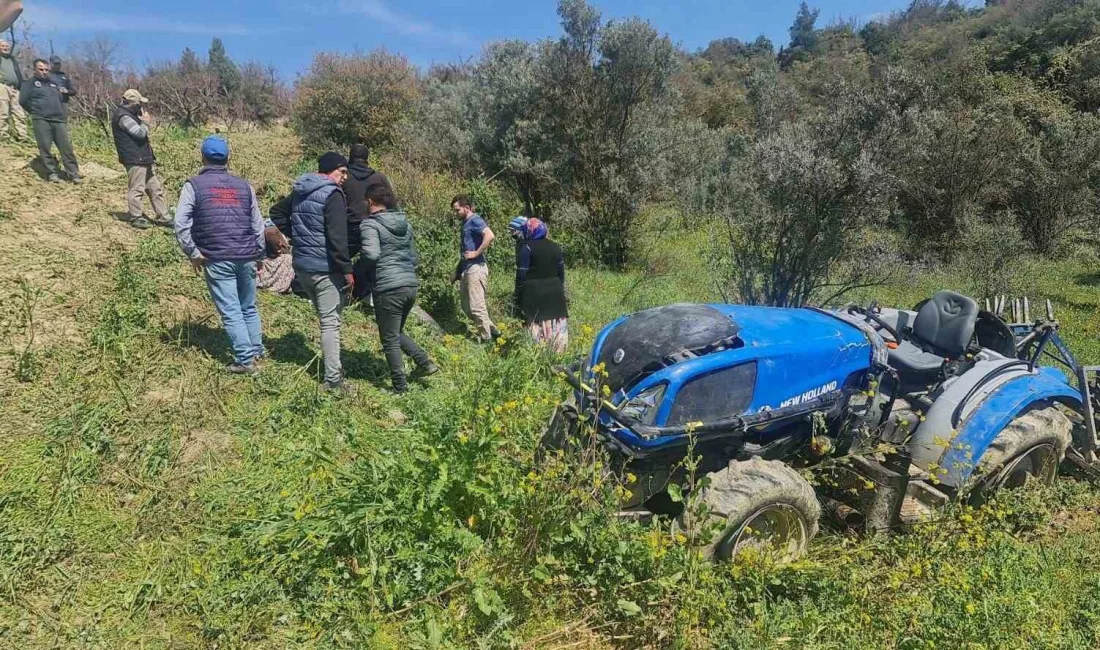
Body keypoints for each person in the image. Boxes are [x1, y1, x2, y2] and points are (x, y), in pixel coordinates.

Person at [173, 136, 266, 374]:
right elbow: (257, 224)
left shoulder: (193, 186)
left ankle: (245, 361)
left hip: (217, 256)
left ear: (202, 157)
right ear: (227, 158)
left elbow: (180, 223)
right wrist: (260, 254)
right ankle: (256, 351)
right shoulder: (245, 186)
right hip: (246, 254)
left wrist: (193, 252)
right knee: (248, 306)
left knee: (231, 309)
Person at [270, 152, 356, 395]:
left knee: (325, 318)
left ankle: (333, 368)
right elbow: (338, 238)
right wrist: (347, 270)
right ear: (330, 170)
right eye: (342, 172)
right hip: (325, 268)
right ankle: (333, 381)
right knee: (331, 323)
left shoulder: (301, 189)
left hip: (303, 266)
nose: (345, 178)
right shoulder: (332, 195)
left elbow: (276, 212)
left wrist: (298, 236)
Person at [360, 184, 439, 393]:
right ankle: (425, 363)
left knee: (389, 339)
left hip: (388, 286)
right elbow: (414, 257)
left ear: (369, 201)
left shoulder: (370, 225)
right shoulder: (405, 223)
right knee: (395, 332)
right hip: (410, 284)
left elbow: (371, 254)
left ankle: (399, 387)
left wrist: (359, 272)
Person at [111, 89, 170, 229]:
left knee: (155, 188)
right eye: (138, 103)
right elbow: (139, 134)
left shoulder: (130, 114)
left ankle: (163, 216)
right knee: (137, 189)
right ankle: (136, 216)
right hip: (134, 158)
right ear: (131, 103)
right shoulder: (123, 117)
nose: (141, 106)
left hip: (143, 158)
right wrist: (146, 122)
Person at [344, 143, 393, 303]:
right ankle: (365, 293)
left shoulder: (344, 176)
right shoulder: (379, 178)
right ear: (367, 159)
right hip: (376, 225)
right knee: (373, 261)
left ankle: (343, 291)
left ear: (350, 157)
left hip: (349, 227)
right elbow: (391, 204)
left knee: (340, 259)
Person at [19, 58, 80, 183]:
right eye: (41, 69)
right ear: (35, 70)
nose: (44, 72)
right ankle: (52, 173)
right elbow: (23, 101)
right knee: (45, 147)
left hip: (58, 119)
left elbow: (60, 98)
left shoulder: (54, 83)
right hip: (41, 119)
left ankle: (74, 174)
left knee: (66, 148)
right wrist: (36, 111)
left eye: (46, 69)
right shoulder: (30, 83)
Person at [515, 218, 569, 353]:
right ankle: (558, 354)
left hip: (533, 293)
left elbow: (521, 274)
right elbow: (561, 273)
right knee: (555, 322)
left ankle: (539, 355)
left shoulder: (526, 248)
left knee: (536, 323)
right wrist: (559, 289)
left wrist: (518, 294)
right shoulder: (555, 247)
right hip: (555, 291)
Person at [451, 195, 499, 342]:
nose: (455, 213)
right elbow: (465, 252)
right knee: (467, 307)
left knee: (477, 307)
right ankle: (493, 331)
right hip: (467, 269)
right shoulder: (465, 223)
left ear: (466, 208)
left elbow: (490, 235)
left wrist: (476, 253)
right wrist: (457, 273)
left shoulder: (475, 220)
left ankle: (487, 340)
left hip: (476, 268)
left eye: (457, 210)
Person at [0, 39, 27, 141]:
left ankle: (23, 136)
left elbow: (18, 73)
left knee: (19, 112)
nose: (6, 48)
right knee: (3, 112)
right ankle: (3, 136)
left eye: (7, 46)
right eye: (3, 46)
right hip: (3, 87)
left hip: (16, 89)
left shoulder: (12, 59)